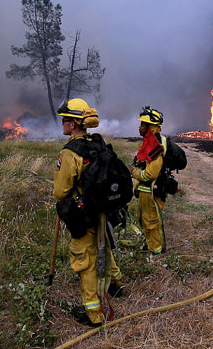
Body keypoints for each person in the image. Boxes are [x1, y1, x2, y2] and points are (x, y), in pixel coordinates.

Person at [53, 98, 124, 327]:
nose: (62, 122)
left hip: (84, 215)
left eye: (65, 119)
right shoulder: (98, 144)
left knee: (86, 260)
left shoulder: (69, 152)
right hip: (103, 213)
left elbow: (61, 190)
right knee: (104, 245)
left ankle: (93, 313)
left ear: (74, 124)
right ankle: (116, 283)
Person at [131, 107, 167, 254]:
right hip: (145, 191)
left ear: (150, 126)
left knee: (151, 223)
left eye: (142, 124)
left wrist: (134, 173)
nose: (139, 127)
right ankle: (151, 245)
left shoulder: (155, 145)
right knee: (143, 221)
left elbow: (151, 174)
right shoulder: (149, 142)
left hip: (152, 192)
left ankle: (156, 252)